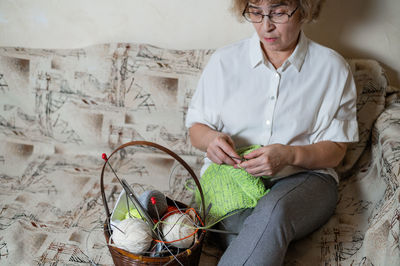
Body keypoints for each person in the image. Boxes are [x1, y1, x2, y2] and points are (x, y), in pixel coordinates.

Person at [185, 0, 359, 265]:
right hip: (232, 178)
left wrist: (288, 155)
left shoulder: (332, 68)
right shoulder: (225, 61)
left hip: (307, 179)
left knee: (274, 212)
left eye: (278, 12)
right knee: (245, 237)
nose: (265, 25)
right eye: (255, 12)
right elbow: (196, 129)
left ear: (304, 9)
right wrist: (211, 139)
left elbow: (335, 152)